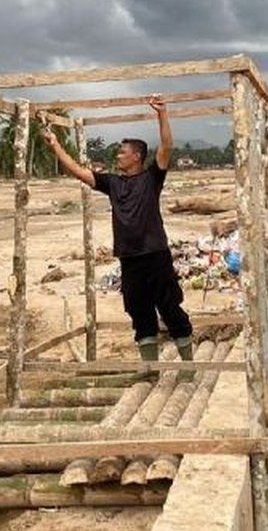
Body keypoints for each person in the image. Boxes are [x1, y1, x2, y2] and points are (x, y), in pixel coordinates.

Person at [40, 95, 194, 369]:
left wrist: (162, 113)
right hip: (129, 258)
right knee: (139, 314)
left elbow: (167, 145)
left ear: (136, 157)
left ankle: (188, 368)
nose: (118, 156)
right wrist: (55, 146)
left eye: (122, 153)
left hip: (156, 254)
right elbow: (77, 171)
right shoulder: (112, 183)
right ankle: (150, 372)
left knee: (170, 309)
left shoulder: (152, 178)